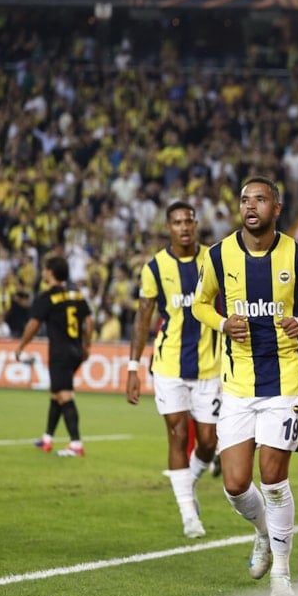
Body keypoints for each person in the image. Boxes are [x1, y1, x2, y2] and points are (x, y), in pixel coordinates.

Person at [192, 176, 298, 596]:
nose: (250, 206)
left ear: (277, 208)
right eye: (244, 200)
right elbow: (200, 303)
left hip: (283, 383)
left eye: (259, 199)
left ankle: (281, 574)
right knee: (235, 485)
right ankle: (263, 532)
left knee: (273, 481)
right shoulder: (218, 255)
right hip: (237, 386)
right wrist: (222, 323)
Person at [125, 201, 221, 540]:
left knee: (208, 443)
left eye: (188, 221)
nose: (184, 227)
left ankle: (188, 482)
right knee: (178, 435)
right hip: (168, 366)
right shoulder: (155, 267)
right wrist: (133, 367)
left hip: (210, 367)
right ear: (168, 227)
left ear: (195, 224)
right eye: (177, 222)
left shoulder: (214, 259)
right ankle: (188, 515)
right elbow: (143, 318)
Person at [15, 255, 93, 458]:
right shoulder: (76, 295)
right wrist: (86, 346)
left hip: (60, 352)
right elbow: (89, 320)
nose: (43, 272)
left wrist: (21, 346)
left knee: (64, 395)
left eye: (44, 269)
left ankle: (76, 444)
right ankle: (47, 438)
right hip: (76, 351)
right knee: (56, 393)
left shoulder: (47, 297)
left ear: (50, 272)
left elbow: (34, 324)